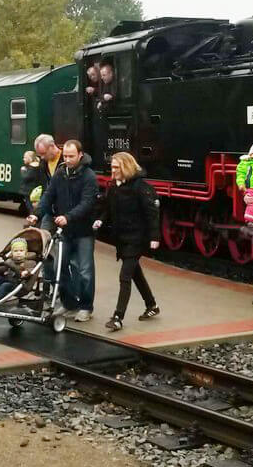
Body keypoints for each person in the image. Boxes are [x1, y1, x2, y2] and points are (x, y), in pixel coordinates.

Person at [27, 139, 98, 321]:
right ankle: (69, 303)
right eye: (65, 156)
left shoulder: (89, 176)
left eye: (71, 156)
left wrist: (68, 217)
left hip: (83, 231)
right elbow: (48, 196)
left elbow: (87, 203)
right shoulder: (60, 173)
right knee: (59, 266)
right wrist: (36, 214)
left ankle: (86, 307)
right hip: (64, 231)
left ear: (80, 155)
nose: (67, 159)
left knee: (84, 270)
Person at [92, 151, 161, 331]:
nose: (113, 170)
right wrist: (101, 220)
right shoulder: (114, 187)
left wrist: (155, 237)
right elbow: (108, 208)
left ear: (126, 167)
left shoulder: (141, 187)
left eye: (116, 167)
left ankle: (118, 317)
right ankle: (152, 305)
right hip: (122, 238)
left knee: (125, 276)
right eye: (112, 167)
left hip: (137, 238)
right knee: (135, 273)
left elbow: (152, 214)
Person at [0, 237, 37, 305]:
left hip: (19, 285)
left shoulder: (30, 263)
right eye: (16, 251)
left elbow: (30, 272)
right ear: (12, 253)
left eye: (21, 251)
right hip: (7, 279)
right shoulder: (9, 260)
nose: (18, 253)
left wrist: (26, 273)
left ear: (26, 252)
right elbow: (2, 269)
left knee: (6, 285)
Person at [19, 150, 43, 215]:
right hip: (35, 190)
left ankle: (33, 217)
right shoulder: (38, 166)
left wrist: (23, 171)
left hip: (29, 191)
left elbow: (26, 177)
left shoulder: (32, 168)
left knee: (30, 206)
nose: (23, 159)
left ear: (29, 158)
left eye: (25, 157)